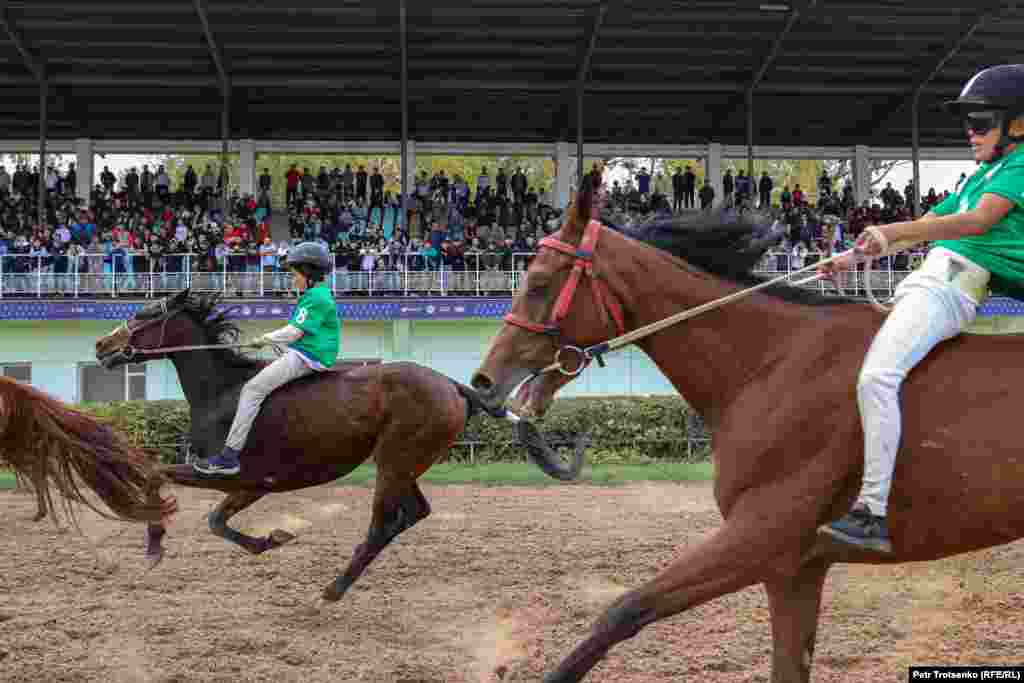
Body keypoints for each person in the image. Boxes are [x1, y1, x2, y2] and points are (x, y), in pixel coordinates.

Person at [817, 64, 1024, 553]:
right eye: (968, 123)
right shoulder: (983, 174)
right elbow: (930, 220)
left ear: (1017, 125)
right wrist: (849, 258)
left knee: (877, 378)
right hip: (928, 278)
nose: (969, 132)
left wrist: (893, 233)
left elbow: (975, 223)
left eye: (981, 122)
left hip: (949, 285)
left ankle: (871, 512)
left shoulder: (1018, 168)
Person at [194, 242, 341, 476]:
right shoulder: (317, 295)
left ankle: (228, 457)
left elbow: (294, 331)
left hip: (309, 357)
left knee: (252, 390)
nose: (294, 279)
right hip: (306, 352)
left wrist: (265, 339)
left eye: (295, 274)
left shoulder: (316, 298)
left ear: (308, 272)